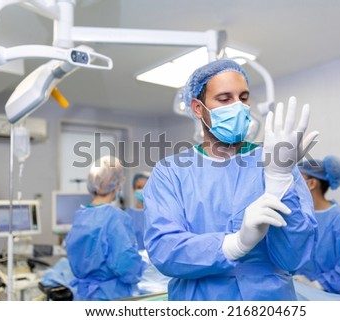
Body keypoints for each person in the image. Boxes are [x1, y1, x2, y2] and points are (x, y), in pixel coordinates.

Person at [143, 59, 319, 300]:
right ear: (198, 108)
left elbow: (294, 258)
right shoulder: (171, 172)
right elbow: (164, 251)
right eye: (224, 99)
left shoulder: (276, 162)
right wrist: (235, 244)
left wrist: (280, 179)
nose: (238, 107)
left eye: (244, 98)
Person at [65, 155, 146, 300]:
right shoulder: (115, 218)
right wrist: (142, 266)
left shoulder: (81, 215)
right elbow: (127, 266)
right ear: (117, 184)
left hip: (84, 296)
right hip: (110, 296)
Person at [293, 155, 340, 296]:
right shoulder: (298, 218)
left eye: (296, 179)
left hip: (335, 299)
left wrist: (316, 284)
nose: (291, 186)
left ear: (311, 184)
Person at [125, 172, 150, 250]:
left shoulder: (156, 215)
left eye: (145, 187)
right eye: (139, 187)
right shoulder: (126, 215)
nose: (142, 190)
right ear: (133, 188)